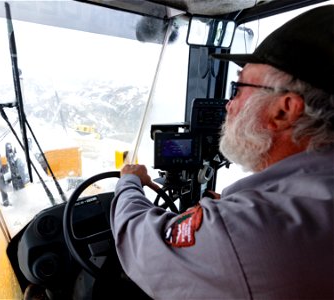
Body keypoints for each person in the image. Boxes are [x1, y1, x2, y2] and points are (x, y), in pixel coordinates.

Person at [110, 5, 334, 299]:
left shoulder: (247, 227)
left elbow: (138, 240)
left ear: (285, 110)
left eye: (238, 88)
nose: (229, 105)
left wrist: (128, 183)